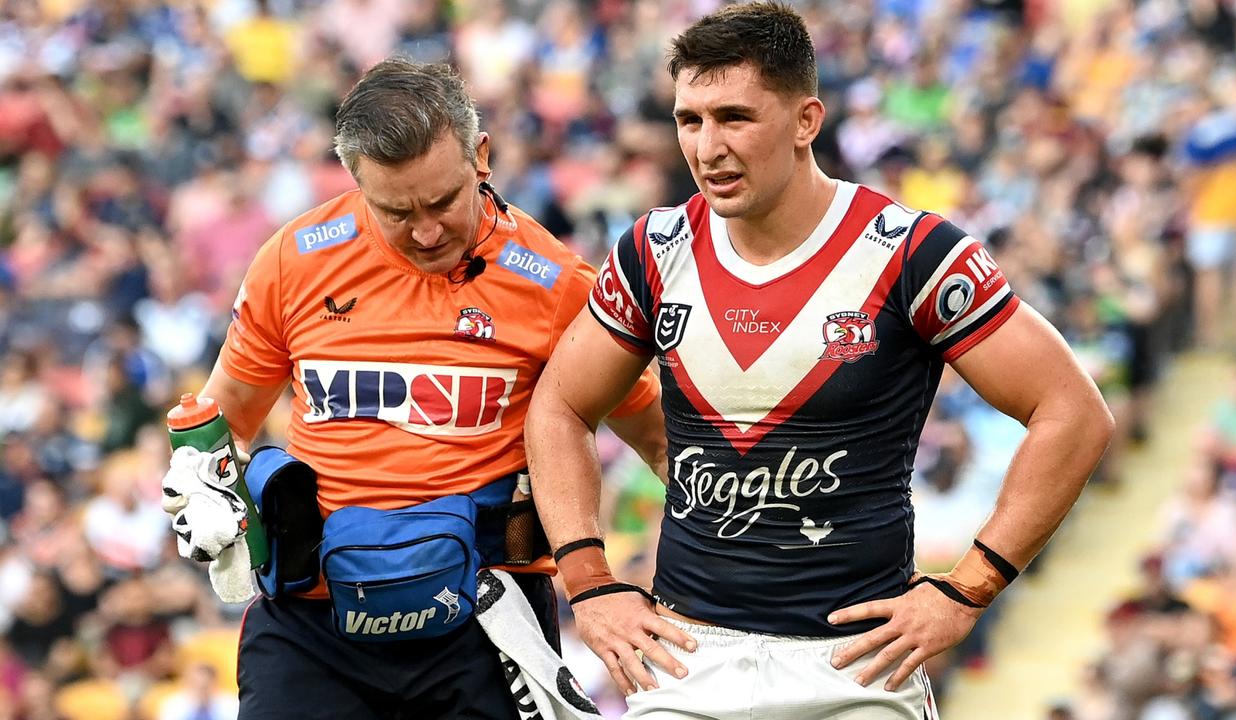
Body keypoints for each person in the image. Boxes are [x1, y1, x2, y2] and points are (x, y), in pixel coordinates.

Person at [525, 3, 1114, 718]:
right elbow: (559, 404)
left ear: (806, 121)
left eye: (735, 117)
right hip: (684, 661)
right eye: (690, 120)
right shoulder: (653, 251)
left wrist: (967, 590)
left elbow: (1074, 411)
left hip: (855, 671)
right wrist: (589, 582)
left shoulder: (909, 253)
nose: (707, 147)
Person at [160, 58, 664, 719]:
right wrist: (202, 486)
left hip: (485, 619)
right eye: (396, 211)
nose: (426, 232)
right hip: (314, 624)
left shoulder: (557, 284)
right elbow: (224, 423)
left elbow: (662, 441)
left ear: (481, 157)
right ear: (354, 178)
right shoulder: (293, 261)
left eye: (442, 202)